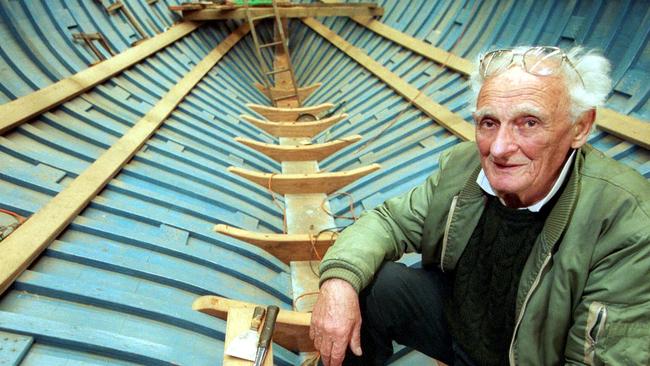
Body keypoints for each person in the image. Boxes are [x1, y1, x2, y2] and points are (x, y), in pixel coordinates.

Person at [309, 46, 650, 366]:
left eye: (528, 123)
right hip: (462, 330)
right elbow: (387, 222)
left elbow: (600, 358)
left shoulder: (624, 220)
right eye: (489, 123)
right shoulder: (464, 168)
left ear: (580, 128)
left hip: (531, 356)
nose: (499, 148)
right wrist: (338, 282)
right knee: (373, 285)